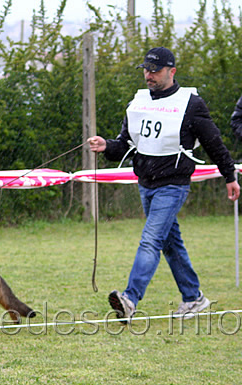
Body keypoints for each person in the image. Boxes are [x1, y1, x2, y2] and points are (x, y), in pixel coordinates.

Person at [88, 47, 240, 319]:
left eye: (155, 70)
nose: (149, 75)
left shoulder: (191, 104)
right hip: (145, 183)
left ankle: (130, 299)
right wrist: (106, 146)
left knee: (150, 240)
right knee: (170, 244)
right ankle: (193, 298)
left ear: (172, 71)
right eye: (146, 69)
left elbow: (214, 143)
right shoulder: (138, 102)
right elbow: (126, 144)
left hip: (173, 185)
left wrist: (229, 176)